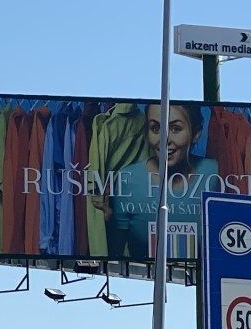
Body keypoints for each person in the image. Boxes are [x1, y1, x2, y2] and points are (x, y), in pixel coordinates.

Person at [94, 103, 223, 261]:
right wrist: (109, 222)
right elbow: (116, 252)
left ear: (196, 133)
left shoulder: (215, 173)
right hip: (142, 276)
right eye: (156, 128)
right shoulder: (127, 178)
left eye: (175, 129)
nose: (164, 139)